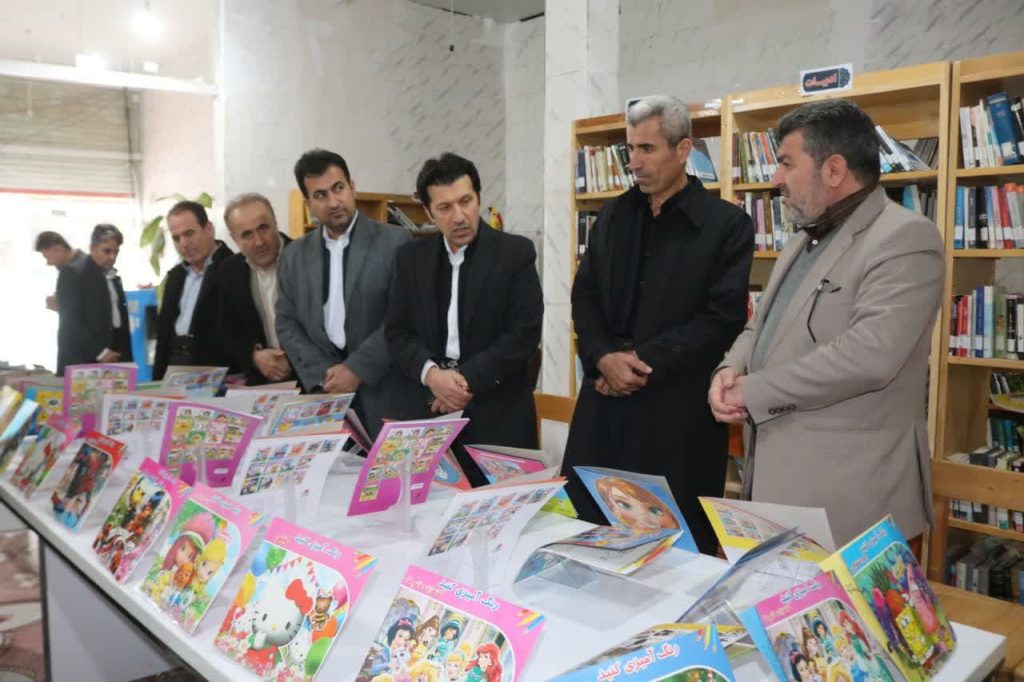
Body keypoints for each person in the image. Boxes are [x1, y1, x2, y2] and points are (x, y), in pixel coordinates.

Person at [708, 99, 943, 547]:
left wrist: (753, 392)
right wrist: (729, 369)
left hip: (851, 498)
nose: (775, 178)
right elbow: (762, 326)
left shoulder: (905, 238)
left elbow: (870, 355)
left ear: (833, 169)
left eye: (786, 163)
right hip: (778, 482)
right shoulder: (802, 240)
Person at [562, 95, 754, 554]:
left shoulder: (726, 225)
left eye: (647, 149)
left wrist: (639, 361)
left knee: (675, 552)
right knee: (587, 535)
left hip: (677, 414)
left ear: (683, 150)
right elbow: (585, 296)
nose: (634, 162)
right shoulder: (612, 216)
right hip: (604, 406)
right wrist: (602, 358)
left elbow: (722, 318)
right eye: (630, 149)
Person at [386, 153, 543, 486]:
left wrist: (463, 381)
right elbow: (397, 333)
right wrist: (432, 376)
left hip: (500, 415)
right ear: (428, 211)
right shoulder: (410, 259)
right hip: (432, 413)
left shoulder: (515, 253)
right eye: (445, 207)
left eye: (466, 201)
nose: (459, 216)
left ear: (479, 198)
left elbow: (524, 334)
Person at [276, 149, 422, 437]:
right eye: (320, 195)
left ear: (352, 187)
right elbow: (286, 322)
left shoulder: (395, 242)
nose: (333, 202)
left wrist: (356, 369)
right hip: (326, 396)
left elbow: (404, 315)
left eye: (338, 188)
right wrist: (325, 375)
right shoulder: (294, 255)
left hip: (386, 391)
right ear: (308, 203)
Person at [153, 201, 234, 380]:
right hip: (175, 366)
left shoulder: (233, 268)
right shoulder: (175, 276)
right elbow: (163, 336)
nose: (183, 244)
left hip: (217, 371)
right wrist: (157, 381)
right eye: (176, 238)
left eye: (189, 234)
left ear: (208, 229)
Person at [218, 193, 294, 385]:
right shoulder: (230, 271)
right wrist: (254, 356)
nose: (259, 241)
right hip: (262, 385)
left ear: (275, 222)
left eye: (263, 228)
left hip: (315, 383)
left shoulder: (306, 258)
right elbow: (228, 330)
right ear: (234, 238)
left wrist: (295, 358)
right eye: (247, 234)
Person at [78, 224, 133, 364]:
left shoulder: (114, 278)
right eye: (107, 251)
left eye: (116, 252)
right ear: (92, 249)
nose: (112, 257)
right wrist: (99, 352)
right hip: (92, 357)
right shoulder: (79, 277)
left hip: (118, 352)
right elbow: (74, 323)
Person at [35, 230, 89, 374]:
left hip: (77, 347)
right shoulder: (85, 261)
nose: (48, 263)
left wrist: (59, 306)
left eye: (48, 257)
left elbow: (74, 315)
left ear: (59, 249)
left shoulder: (70, 271)